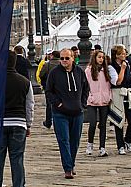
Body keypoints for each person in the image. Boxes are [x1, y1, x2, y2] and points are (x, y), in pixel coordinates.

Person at [0, 50, 34, 187]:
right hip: (18, 122)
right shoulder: (25, 82)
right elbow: (29, 105)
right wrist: (28, 124)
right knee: (17, 159)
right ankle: (18, 185)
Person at [45, 48, 89, 179]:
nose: (64, 61)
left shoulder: (79, 71)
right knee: (64, 140)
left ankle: (71, 163)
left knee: (75, 141)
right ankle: (67, 168)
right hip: (60, 113)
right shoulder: (54, 73)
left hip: (77, 112)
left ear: (72, 58)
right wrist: (57, 103)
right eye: (62, 58)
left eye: (66, 58)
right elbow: (49, 91)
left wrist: (83, 103)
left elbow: (86, 87)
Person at [108, 44, 131, 155]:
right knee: (118, 121)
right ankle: (120, 145)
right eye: (122, 53)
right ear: (116, 55)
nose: (124, 55)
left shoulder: (127, 63)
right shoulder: (111, 67)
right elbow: (118, 81)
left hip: (127, 93)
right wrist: (123, 69)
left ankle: (128, 140)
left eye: (125, 53)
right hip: (117, 93)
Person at [84, 50, 112, 157]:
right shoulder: (89, 70)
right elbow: (86, 85)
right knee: (92, 123)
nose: (101, 59)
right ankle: (90, 144)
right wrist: (89, 96)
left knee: (103, 124)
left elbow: (109, 85)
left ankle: (102, 147)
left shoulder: (106, 70)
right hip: (92, 100)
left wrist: (109, 96)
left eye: (102, 57)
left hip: (104, 100)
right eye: (99, 57)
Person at [39, 50, 60, 129]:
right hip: (60, 88)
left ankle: (48, 122)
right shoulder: (62, 64)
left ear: (52, 56)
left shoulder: (47, 65)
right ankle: (57, 121)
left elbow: (41, 74)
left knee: (49, 104)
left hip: (49, 87)